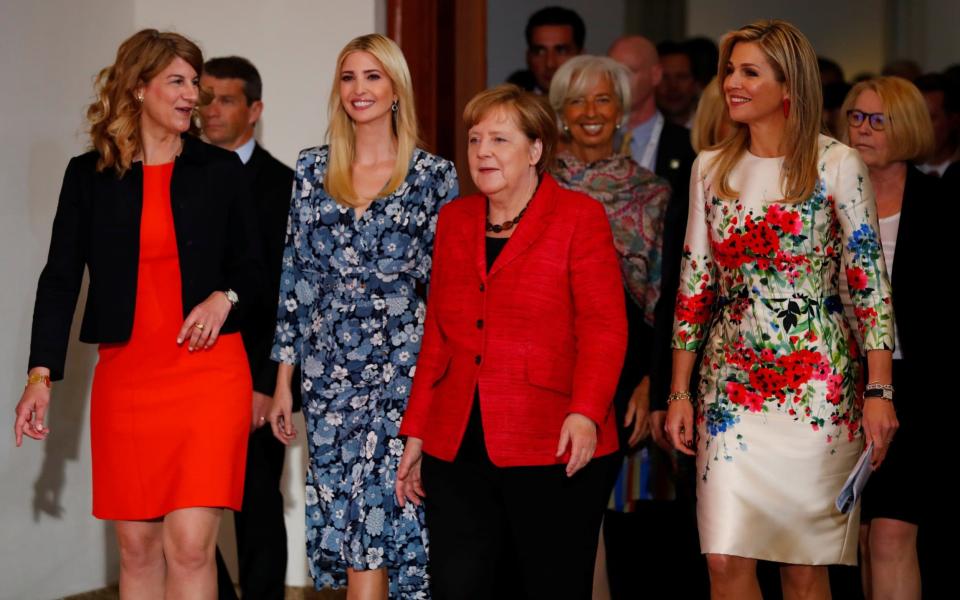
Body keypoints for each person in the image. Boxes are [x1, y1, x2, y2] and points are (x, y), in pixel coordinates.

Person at [14, 29, 261, 598]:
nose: (191, 95)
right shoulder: (89, 176)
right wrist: (39, 375)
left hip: (208, 373)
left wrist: (224, 298)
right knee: (137, 548)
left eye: (195, 83)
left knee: (193, 547)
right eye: (177, 81)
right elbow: (59, 279)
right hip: (128, 377)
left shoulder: (220, 172)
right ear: (138, 87)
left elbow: (254, 268)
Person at [665, 20, 898, 599]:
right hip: (728, 385)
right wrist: (678, 391)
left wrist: (880, 390)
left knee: (801, 564)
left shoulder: (837, 163)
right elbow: (694, 284)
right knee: (723, 556)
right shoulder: (709, 167)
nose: (732, 83)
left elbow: (869, 282)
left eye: (750, 72)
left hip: (814, 386)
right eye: (730, 70)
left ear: (789, 85)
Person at [395, 84, 626, 599]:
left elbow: (604, 328)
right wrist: (416, 433)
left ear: (536, 149)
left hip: (555, 440)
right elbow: (438, 334)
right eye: (475, 140)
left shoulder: (578, 218)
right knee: (459, 586)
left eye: (499, 139)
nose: (482, 153)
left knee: (548, 585)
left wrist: (586, 411)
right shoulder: (454, 221)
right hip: (457, 441)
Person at [268, 33, 458, 599]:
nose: (359, 89)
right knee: (349, 524)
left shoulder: (433, 177)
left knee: (386, 517)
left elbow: (446, 294)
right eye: (349, 78)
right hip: (327, 381)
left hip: (401, 374)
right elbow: (295, 279)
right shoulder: (311, 169)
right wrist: (284, 383)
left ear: (396, 87)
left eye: (373, 76)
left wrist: (436, 392)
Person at [547, 55, 670, 599]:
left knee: (605, 520)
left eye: (603, 99)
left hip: (623, 374)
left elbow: (666, 300)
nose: (590, 112)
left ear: (622, 111)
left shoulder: (655, 194)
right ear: (559, 113)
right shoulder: (535, 185)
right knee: (552, 521)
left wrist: (652, 381)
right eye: (577, 100)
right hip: (545, 369)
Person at [838, 76, 941, 600]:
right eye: (856, 116)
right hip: (837, 380)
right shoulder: (823, 196)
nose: (862, 129)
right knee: (859, 535)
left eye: (877, 120)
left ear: (907, 128)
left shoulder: (941, 203)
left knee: (893, 533)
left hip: (915, 387)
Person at [198, 55, 296, 600]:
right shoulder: (177, 175)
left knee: (258, 501)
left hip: (254, 372)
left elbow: (288, 293)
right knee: (183, 507)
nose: (209, 109)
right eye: (203, 96)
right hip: (188, 370)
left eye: (225, 99)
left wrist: (266, 381)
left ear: (255, 109)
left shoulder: (285, 185)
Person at [507, 6, 585, 94]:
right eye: (540, 52)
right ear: (528, 57)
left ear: (581, 56)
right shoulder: (511, 102)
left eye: (561, 51)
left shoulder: (596, 104)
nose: (550, 64)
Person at [656, 40, 700, 128]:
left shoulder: (712, 133)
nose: (673, 86)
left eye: (682, 77)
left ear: (696, 83)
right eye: (664, 77)